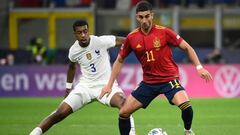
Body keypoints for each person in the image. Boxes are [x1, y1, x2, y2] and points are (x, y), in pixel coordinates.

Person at [100, 1, 212, 135]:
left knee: (186, 107)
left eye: (147, 16)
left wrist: (199, 67)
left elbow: (187, 47)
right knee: (124, 112)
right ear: (137, 17)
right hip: (148, 83)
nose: (144, 20)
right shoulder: (132, 38)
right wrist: (109, 84)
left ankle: (188, 131)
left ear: (152, 15)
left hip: (169, 80)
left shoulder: (164, 32)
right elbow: (119, 60)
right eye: (141, 17)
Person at [29, 20, 135, 135]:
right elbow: (72, 67)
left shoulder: (100, 41)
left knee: (125, 105)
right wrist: (68, 88)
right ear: (75, 34)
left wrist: (140, 46)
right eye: (79, 32)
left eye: (85, 31)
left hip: (106, 86)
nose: (83, 35)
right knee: (59, 113)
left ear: (88, 31)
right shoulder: (74, 51)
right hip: (85, 87)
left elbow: (126, 41)